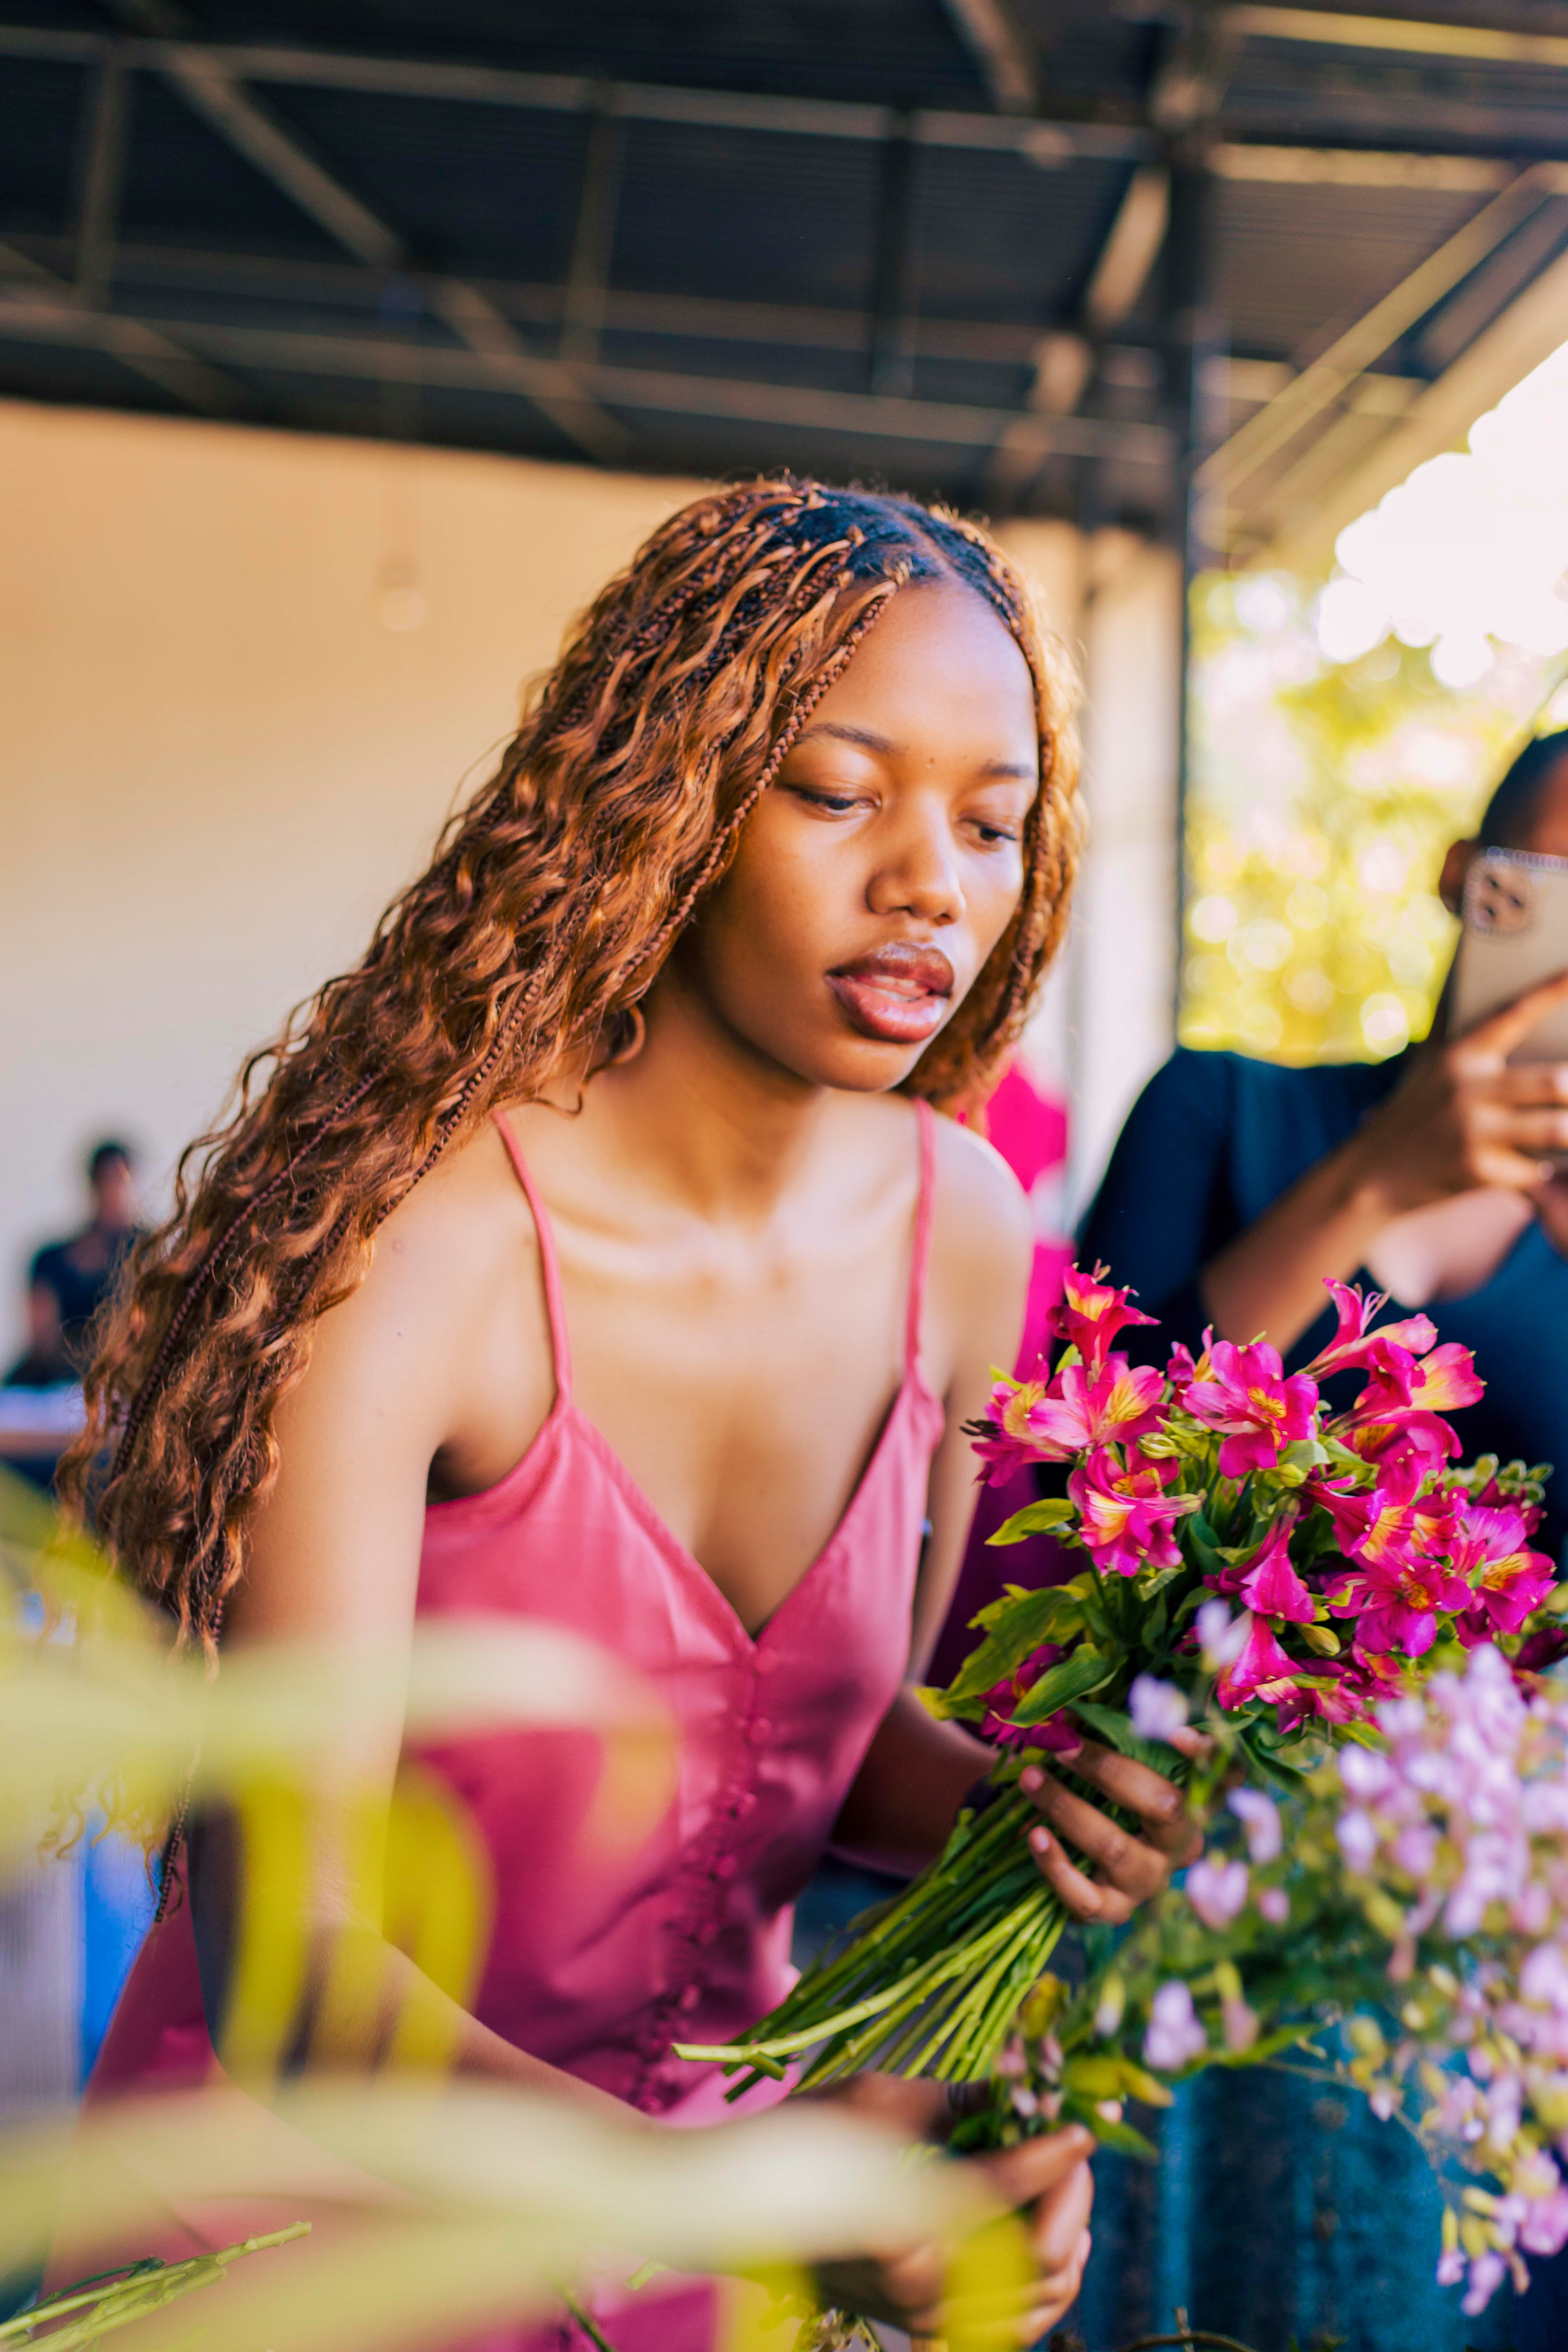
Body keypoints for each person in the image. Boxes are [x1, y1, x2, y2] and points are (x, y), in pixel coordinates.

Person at [61, 481, 1203, 2352]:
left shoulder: (964, 1234)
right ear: (665, 803)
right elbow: (293, 1967)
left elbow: (818, 1760)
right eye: (839, 792)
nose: (932, 878)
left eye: (992, 825)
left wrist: (1033, 1816)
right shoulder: (420, 1253)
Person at [1067, 727, 1568, 2352]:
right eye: (1553, 889)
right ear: (1467, 887)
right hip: (1171, 1911)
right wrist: (1375, 1184)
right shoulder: (1229, 1118)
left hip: (1495, 1975)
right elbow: (1101, 1467)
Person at [0, 1141, 139, 1490]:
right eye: (106, 1182)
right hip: (57, 1387)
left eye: (120, 1182)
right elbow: (41, 1340)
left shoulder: (147, 1254)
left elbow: (146, 1334)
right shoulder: (52, 1257)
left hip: (123, 1385)